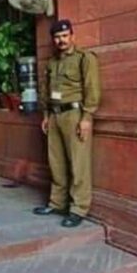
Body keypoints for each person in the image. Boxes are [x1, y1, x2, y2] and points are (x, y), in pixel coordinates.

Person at [33, 19, 102, 228]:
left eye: (64, 36)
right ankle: (57, 203)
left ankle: (78, 208)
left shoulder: (85, 58)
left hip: (74, 114)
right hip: (54, 116)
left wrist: (87, 118)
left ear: (72, 36)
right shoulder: (52, 62)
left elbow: (92, 89)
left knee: (78, 163)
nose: (61, 40)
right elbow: (46, 91)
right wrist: (45, 114)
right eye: (57, 37)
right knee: (57, 163)